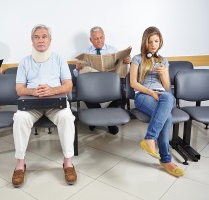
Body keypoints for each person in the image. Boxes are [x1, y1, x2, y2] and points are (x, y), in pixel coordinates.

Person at [12, 24, 77, 187]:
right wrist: (34, 92)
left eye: (44, 36)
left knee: (67, 117)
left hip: (55, 102)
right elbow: (19, 89)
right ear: (32, 41)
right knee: (19, 118)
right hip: (32, 104)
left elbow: (68, 85)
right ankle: (20, 164)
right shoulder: (25, 62)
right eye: (36, 37)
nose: (40, 40)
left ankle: (68, 162)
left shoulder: (59, 59)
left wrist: (51, 90)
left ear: (50, 40)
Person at [130, 26, 184, 177]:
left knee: (168, 96)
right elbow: (133, 83)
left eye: (156, 41)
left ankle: (150, 138)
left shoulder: (163, 61)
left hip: (162, 96)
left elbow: (166, 88)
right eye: (150, 41)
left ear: (160, 42)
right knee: (167, 116)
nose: (153, 44)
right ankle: (166, 160)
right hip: (143, 95)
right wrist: (150, 92)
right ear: (145, 42)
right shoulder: (137, 59)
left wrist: (164, 75)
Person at [74, 26, 131, 135]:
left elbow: (124, 71)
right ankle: (99, 118)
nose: (99, 40)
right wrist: (77, 69)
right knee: (83, 89)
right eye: (96, 39)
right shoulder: (85, 53)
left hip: (109, 85)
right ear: (90, 40)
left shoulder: (113, 50)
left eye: (101, 37)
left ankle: (106, 121)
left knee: (124, 93)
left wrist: (126, 62)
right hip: (93, 87)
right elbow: (77, 76)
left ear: (104, 37)